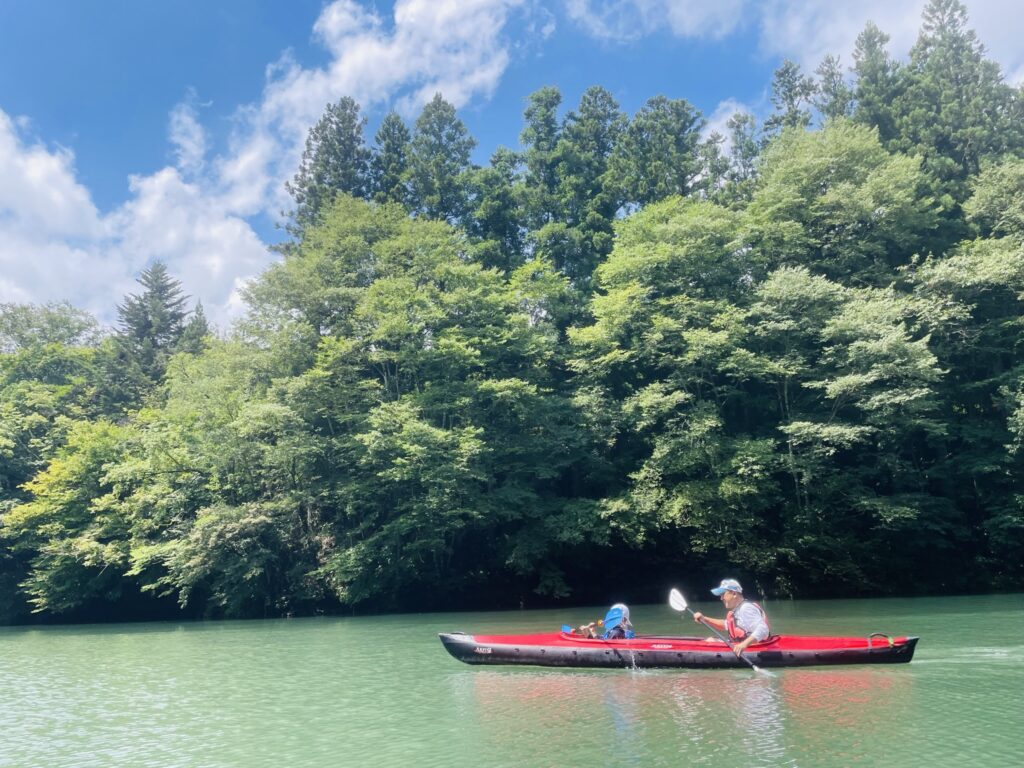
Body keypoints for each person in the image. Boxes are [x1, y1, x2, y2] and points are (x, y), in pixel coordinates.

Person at [692, 578, 770, 657]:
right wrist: (705, 619)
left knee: (710, 641)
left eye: (723, 594)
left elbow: (763, 629)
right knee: (711, 640)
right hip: (741, 644)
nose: (721, 598)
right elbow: (726, 625)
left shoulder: (746, 608)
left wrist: (743, 645)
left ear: (734, 594)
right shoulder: (737, 610)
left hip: (755, 648)